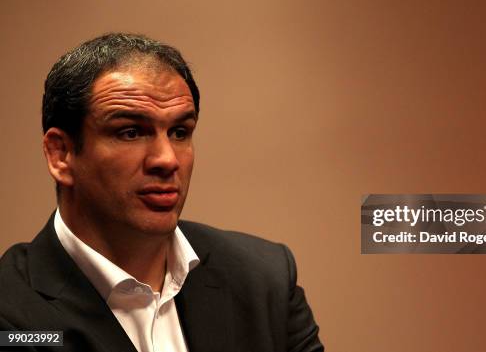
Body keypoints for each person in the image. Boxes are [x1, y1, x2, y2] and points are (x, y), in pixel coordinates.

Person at [0, 33, 324, 352]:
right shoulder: (12, 318)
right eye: (130, 132)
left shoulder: (263, 278)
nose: (167, 159)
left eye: (180, 132)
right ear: (61, 154)